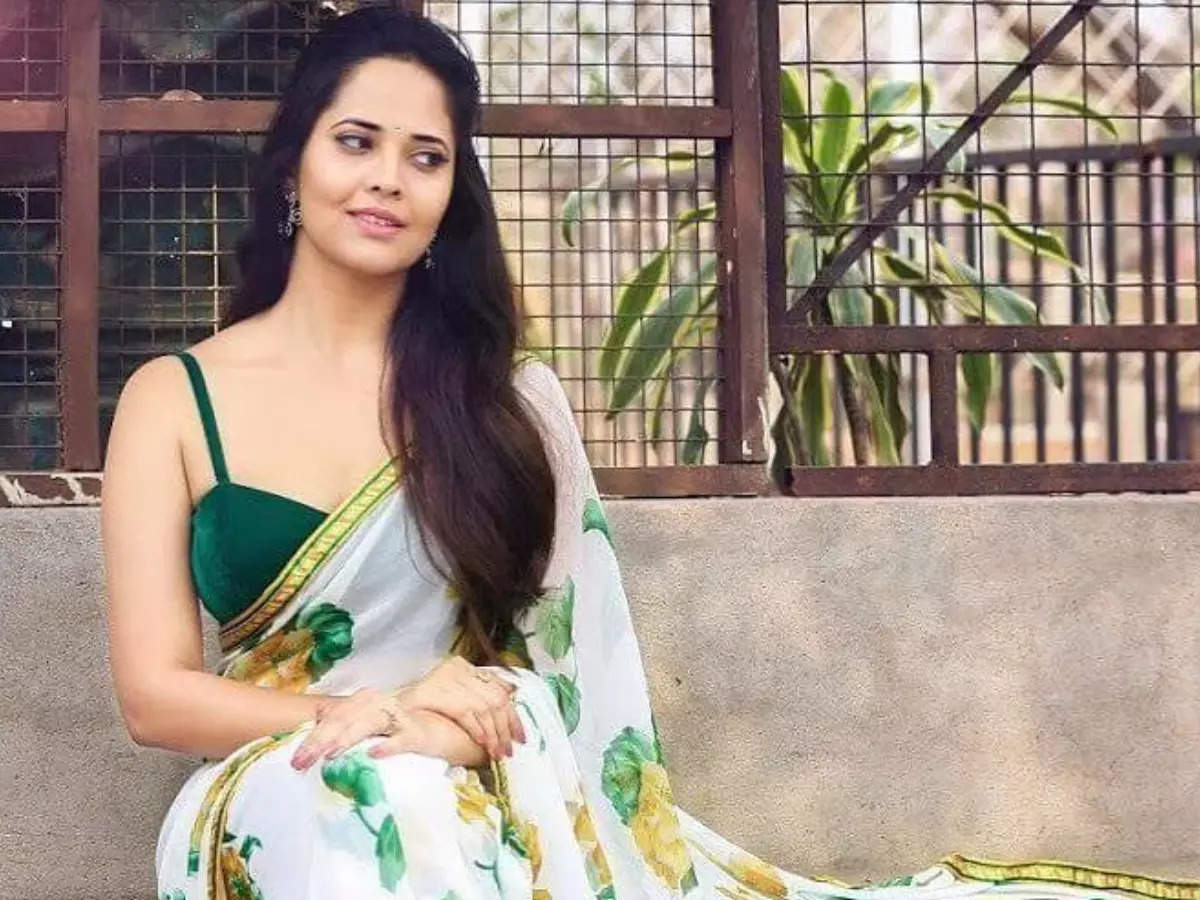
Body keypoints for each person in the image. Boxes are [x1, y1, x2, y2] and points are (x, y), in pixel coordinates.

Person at [101, 7, 1196, 900]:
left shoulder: (502, 403)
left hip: (471, 775)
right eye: (357, 141)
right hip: (272, 783)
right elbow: (155, 697)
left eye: (425, 157)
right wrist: (378, 714)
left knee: (416, 805)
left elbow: (568, 674)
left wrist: (454, 730)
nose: (388, 177)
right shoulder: (172, 401)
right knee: (372, 802)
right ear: (292, 165)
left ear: (448, 198)